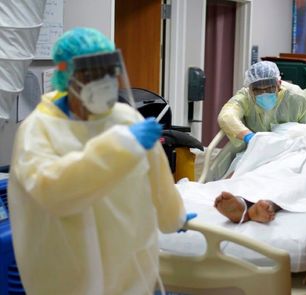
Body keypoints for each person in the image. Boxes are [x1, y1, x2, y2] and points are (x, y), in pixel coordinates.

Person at [7, 27, 194, 294]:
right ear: (66, 74)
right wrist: (120, 146)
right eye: (92, 73)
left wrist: (174, 217)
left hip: (131, 264)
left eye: (108, 71)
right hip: (65, 268)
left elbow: (156, 175)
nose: (103, 81)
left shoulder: (125, 118)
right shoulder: (38, 129)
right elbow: (51, 190)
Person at [208, 61, 306, 181]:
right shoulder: (246, 97)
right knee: (239, 175)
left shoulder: (297, 97)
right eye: (258, 90)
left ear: (278, 83)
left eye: (269, 88)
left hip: (290, 152)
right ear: (250, 88)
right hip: (257, 149)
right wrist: (250, 137)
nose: (264, 93)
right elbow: (227, 116)